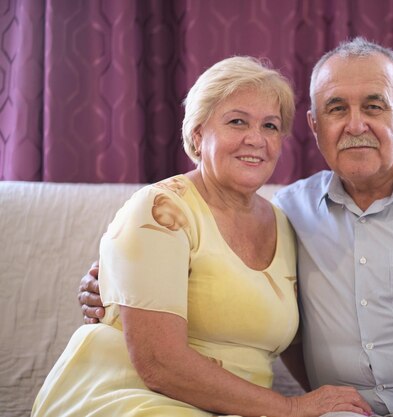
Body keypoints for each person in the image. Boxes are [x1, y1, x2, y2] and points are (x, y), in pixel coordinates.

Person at [79, 39, 393, 417]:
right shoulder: (291, 211)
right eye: (336, 109)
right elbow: (208, 285)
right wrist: (118, 289)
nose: (355, 124)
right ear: (314, 126)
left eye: (374, 105)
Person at [33, 56, 372, 417]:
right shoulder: (161, 209)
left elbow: (294, 340)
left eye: (270, 126)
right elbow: (159, 365)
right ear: (198, 133)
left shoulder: (285, 224)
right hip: (129, 398)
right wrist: (290, 407)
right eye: (237, 121)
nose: (256, 139)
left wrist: (339, 402)